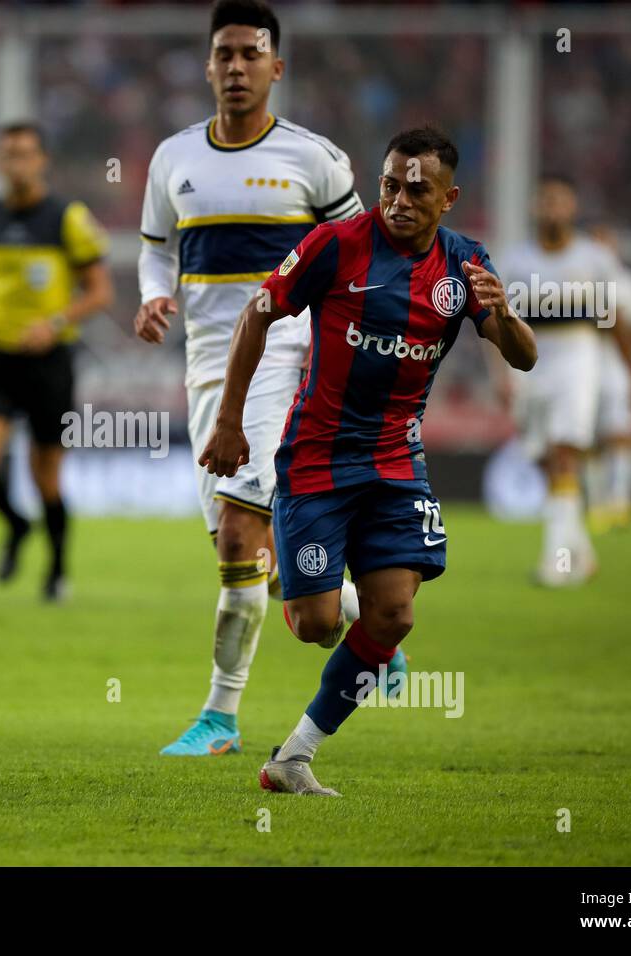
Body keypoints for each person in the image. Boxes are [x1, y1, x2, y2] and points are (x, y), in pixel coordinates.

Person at [199, 127, 536, 794]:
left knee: (396, 615)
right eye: (389, 185)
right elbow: (257, 314)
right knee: (311, 625)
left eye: (417, 190)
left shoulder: (465, 267)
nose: (399, 200)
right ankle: (341, 618)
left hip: (394, 463)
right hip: (317, 461)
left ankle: (293, 758)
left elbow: (522, 355)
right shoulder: (335, 244)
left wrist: (505, 315)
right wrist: (230, 420)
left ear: (448, 198)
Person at [137, 0, 368, 757]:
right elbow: (152, 245)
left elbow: (361, 260)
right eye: (224, 55)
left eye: (250, 54)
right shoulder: (173, 158)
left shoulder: (315, 159)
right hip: (207, 363)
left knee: (241, 529)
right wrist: (152, 294)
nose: (236, 68)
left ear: (277, 67)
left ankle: (221, 719)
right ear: (208, 66)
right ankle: (373, 622)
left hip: (283, 353)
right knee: (247, 555)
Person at [0, 122, 113, 601]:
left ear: (42, 161)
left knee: (46, 475)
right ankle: (16, 524)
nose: (17, 163)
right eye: (8, 155)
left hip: (49, 364)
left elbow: (100, 292)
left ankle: (57, 571)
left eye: (26, 154)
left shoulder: (67, 218)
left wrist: (56, 322)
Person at [498, 177, 627, 586]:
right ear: (535, 208)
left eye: (560, 201)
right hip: (530, 363)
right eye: (546, 201)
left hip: (579, 358)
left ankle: (557, 562)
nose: (552, 208)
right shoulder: (515, 261)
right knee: (545, 461)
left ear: (572, 208)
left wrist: (622, 372)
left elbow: (612, 324)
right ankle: (581, 551)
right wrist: (501, 374)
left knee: (564, 453)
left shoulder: (595, 258)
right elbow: (496, 325)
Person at [586, 224, 631, 530]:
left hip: (617, 367)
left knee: (622, 433)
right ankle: (597, 504)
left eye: (605, 241)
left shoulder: (630, 284)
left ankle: (621, 501)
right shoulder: (577, 281)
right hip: (584, 365)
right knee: (589, 438)